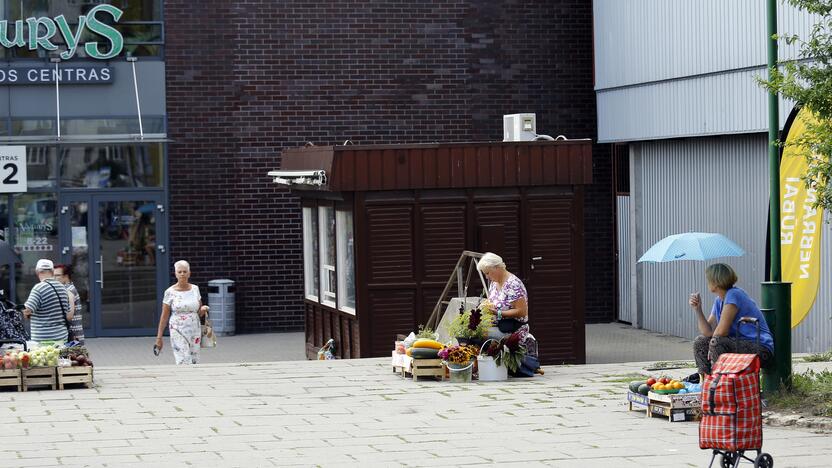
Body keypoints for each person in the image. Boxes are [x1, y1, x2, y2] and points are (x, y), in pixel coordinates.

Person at [689, 263, 774, 377]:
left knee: (716, 342)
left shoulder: (734, 294)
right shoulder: (719, 300)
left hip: (761, 348)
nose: (707, 282)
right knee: (700, 341)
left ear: (715, 282)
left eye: (708, 279)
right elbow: (708, 332)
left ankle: (719, 385)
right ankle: (706, 384)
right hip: (739, 343)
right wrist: (698, 309)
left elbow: (721, 331)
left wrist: (711, 345)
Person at [477, 252, 540, 366]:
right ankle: (481, 366)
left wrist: (499, 313)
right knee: (469, 331)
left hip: (513, 330)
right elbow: (493, 302)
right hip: (499, 326)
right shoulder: (494, 283)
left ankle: (481, 367)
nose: (487, 277)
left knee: (475, 335)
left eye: (488, 273)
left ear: (496, 268)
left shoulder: (513, 284)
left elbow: (522, 312)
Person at [155, 260, 209, 364]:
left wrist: (203, 310)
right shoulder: (169, 292)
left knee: (194, 360)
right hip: (177, 329)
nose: (182, 274)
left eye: (185, 271)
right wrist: (159, 337)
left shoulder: (195, 289)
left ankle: (192, 380)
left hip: (194, 329)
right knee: (183, 359)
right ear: (175, 274)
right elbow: (164, 316)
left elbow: (198, 313)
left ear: (189, 273)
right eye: (179, 272)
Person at [22, 259, 74, 342]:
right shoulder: (62, 288)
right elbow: (67, 312)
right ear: (52, 271)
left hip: (43, 340)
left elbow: (28, 311)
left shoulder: (38, 288)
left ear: (37, 272)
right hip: (61, 337)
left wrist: (25, 311)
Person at [54, 264, 84, 344]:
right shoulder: (68, 288)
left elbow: (69, 315)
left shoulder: (69, 290)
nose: (54, 278)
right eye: (53, 276)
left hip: (73, 335)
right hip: (73, 333)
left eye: (57, 275)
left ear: (66, 276)